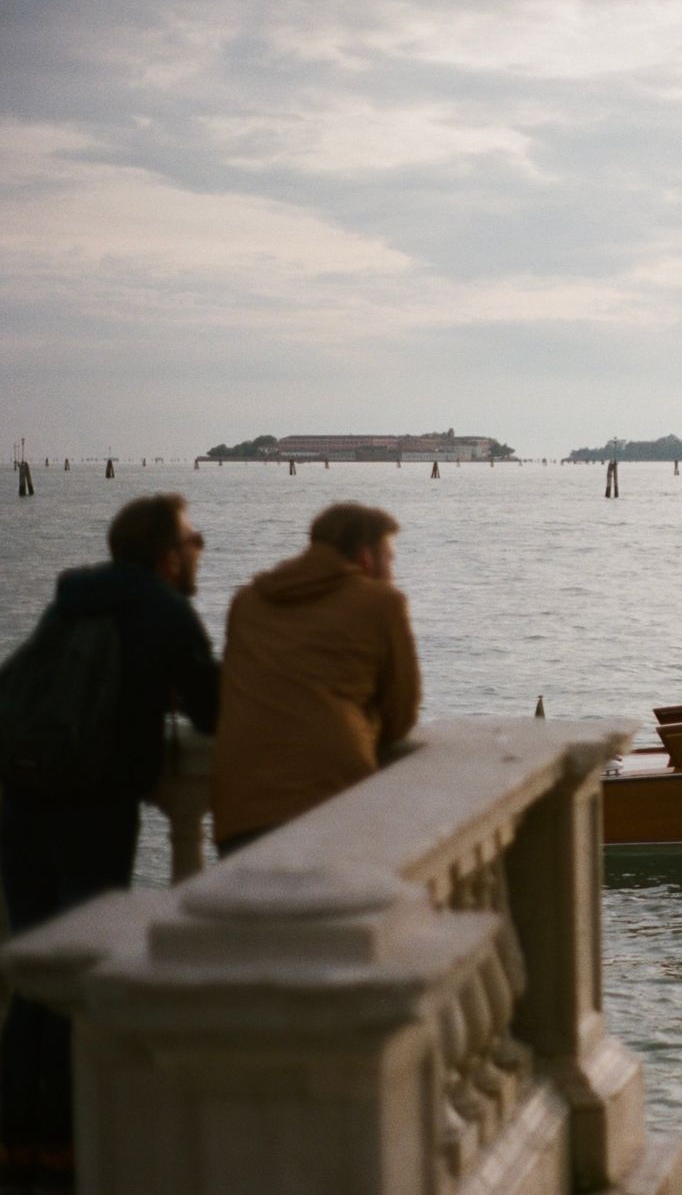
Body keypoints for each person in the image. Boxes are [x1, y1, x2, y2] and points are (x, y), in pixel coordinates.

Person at [1, 493, 220, 1195]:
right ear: (167, 554)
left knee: (33, 978)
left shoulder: (73, 600)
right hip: (92, 810)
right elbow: (213, 710)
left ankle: (16, 1149)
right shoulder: (164, 611)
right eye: (193, 540)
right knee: (77, 976)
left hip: (21, 802)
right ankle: (66, 1152)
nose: (199, 551)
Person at [211, 503, 421, 856]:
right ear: (366, 558)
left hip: (239, 811)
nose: (393, 572)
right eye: (390, 558)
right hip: (331, 804)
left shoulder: (247, 602)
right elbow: (400, 715)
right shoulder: (383, 603)